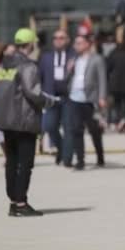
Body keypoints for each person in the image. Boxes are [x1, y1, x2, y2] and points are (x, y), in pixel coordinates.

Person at [0, 28, 57, 217]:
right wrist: (49, 101)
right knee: (25, 163)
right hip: (23, 120)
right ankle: (21, 203)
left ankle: (13, 201)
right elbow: (33, 93)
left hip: (5, 120)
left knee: (11, 161)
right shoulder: (28, 66)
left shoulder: (3, 64)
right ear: (31, 44)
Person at [63, 34, 107, 170]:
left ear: (88, 44)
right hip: (74, 97)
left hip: (90, 99)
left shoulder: (97, 59)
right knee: (76, 129)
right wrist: (68, 70)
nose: (76, 46)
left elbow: (102, 79)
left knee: (94, 130)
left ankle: (100, 156)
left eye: (80, 43)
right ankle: (80, 160)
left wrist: (102, 97)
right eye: (76, 43)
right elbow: (66, 79)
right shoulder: (74, 59)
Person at [39, 30, 75, 165]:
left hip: (69, 98)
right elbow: (40, 77)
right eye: (56, 38)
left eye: (62, 38)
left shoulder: (74, 56)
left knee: (68, 127)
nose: (58, 40)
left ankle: (67, 158)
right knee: (49, 126)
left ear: (67, 40)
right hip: (51, 98)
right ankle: (62, 149)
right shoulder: (46, 57)